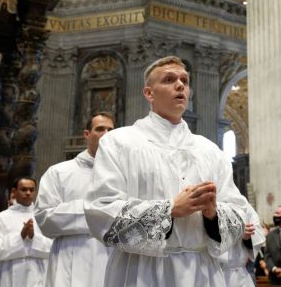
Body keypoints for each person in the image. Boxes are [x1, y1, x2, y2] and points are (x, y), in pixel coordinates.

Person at [84, 55, 247, 286]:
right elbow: (100, 209)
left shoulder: (209, 150)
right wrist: (169, 210)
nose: (180, 85)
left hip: (201, 270)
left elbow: (239, 211)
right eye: (169, 79)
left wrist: (213, 214)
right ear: (149, 93)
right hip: (142, 270)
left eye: (184, 80)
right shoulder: (120, 142)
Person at [35, 112, 115, 287]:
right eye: (100, 129)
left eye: (111, 130)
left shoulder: (122, 176)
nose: (106, 134)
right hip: (70, 259)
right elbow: (44, 218)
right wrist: (96, 211)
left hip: (110, 258)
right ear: (87, 134)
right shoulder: (59, 172)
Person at [0, 177, 52, 287]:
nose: (28, 193)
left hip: (37, 274)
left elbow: (54, 248)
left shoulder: (43, 217)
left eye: (31, 190)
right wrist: (20, 237)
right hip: (8, 274)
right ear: (14, 192)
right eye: (24, 189)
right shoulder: (1, 218)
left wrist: (34, 237)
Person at [219, 203, 266, 287]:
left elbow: (256, 236)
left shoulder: (243, 203)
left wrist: (247, 238)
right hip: (218, 272)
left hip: (241, 272)